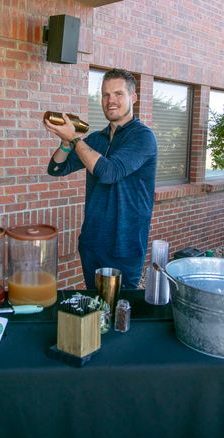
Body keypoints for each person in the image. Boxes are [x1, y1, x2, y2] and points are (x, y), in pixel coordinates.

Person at [44, 68, 157, 289]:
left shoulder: (143, 137)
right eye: (105, 95)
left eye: (118, 94)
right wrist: (66, 141)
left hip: (124, 246)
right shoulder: (96, 139)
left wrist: (75, 140)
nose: (110, 100)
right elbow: (56, 168)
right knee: (96, 312)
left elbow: (109, 172)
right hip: (92, 242)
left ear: (133, 97)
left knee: (118, 314)